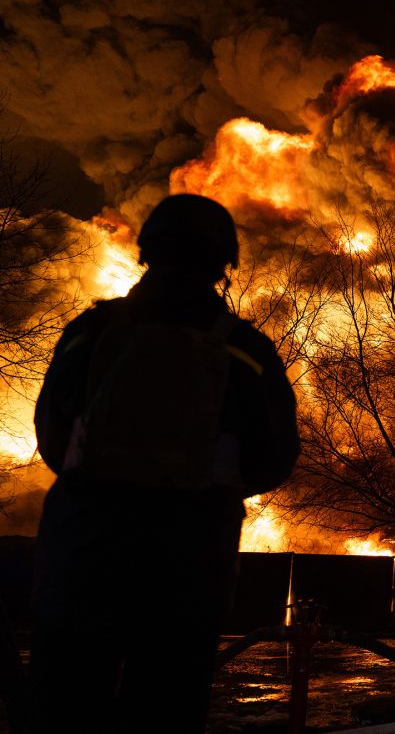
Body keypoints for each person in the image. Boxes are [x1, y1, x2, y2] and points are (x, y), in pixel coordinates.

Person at [30, 194, 299, 733]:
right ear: (223, 265)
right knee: (166, 709)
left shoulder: (89, 333)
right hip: (186, 570)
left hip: (84, 559)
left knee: (66, 709)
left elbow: (52, 437)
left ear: (147, 251)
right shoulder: (246, 351)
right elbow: (274, 458)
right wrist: (205, 486)